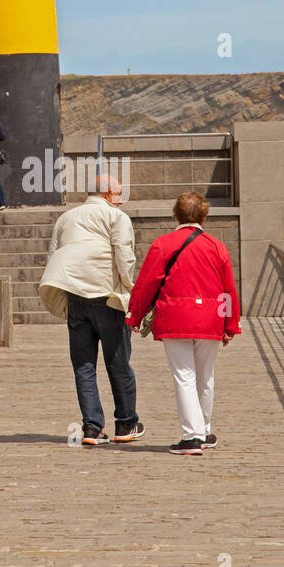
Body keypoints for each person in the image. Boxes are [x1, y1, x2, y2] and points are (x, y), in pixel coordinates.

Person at [125, 191, 240, 456]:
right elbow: (228, 290)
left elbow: (146, 284)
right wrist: (230, 323)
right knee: (205, 377)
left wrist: (135, 315)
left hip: (175, 316)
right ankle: (205, 430)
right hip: (210, 318)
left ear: (175, 214)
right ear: (204, 214)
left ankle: (192, 437)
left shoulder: (163, 244)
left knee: (184, 376)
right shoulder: (217, 246)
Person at [39, 174, 144, 447]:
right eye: (119, 195)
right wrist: (132, 291)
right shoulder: (116, 217)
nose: (121, 201)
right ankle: (126, 423)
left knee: (84, 367)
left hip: (76, 298)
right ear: (108, 194)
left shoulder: (66, 217)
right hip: (107, 296)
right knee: (118, 362)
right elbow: (124, 255)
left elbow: (54, 255)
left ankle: (92, 429)